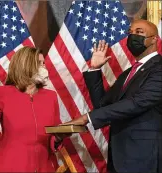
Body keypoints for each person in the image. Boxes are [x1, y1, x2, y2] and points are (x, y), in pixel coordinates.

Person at [62, 19, 162, 173]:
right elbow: (103, 105)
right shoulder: (129, 73)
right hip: (118, 158)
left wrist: (86, 118)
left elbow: (137, 103)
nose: (132, 36)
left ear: (154, 39)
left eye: (139, 32)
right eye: (130, 32)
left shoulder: (158, 68)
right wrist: (95, 69)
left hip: (143, 158)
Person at [0, 47, 65, 172]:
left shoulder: (51, 96)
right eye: (40, 63)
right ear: (26, 64)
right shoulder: (3, 93)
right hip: (11, 168)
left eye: (44, 63)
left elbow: (53, 135)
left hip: (45, 168)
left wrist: (59, 137)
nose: (44, 67)